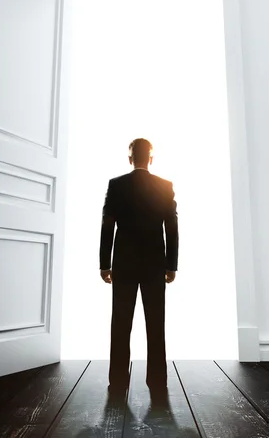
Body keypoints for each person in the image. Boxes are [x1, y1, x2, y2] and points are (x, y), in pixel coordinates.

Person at [99, 138, 179, 395]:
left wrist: (104, 263)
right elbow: (172, 229)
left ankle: (119, 381)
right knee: (156, 324)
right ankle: (157, 381)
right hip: (155, 263)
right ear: (151, 159)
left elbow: (107, 225)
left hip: (123, 263)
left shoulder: (116, 185)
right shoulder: (164, 186)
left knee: (120, 324)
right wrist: (171, 265)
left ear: (130, 158)